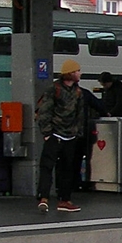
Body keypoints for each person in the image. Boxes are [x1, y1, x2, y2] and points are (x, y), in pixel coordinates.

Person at [35, 59, 89, 213]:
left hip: (70, 136)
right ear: (70, 73)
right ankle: (44, 198)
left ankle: (64, 200)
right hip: (55, 134)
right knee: (48, 167)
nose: (80, 73)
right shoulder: (54, 89)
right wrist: (47, 133)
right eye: (77, 71)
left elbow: (80, 115)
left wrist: (78, 133)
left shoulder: (78, 92)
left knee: (66, 169)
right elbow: (44, 112)